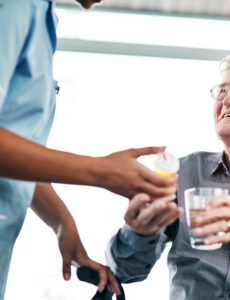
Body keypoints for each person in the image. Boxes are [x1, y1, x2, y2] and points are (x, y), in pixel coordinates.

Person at [0, 0, 176, 299]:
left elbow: (16, 148)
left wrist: (61, 221)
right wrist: (101, 171)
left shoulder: (41, 17)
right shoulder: (14, 7)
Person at [105, 51, 230, 299]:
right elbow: (124, 270)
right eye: (222, 90)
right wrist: (136, 233)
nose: (228, 98)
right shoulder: (182, 172)